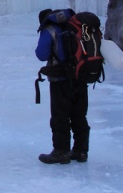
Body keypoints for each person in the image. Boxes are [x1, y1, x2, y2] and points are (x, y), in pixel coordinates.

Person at [35, 8, 95, 164]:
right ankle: (81, 151)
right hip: (80, 76)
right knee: (79, 115)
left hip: (60, 79)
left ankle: (61, 151)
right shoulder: (75, 25)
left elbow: (41, 54)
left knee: (60, 116)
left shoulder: (49, 29)